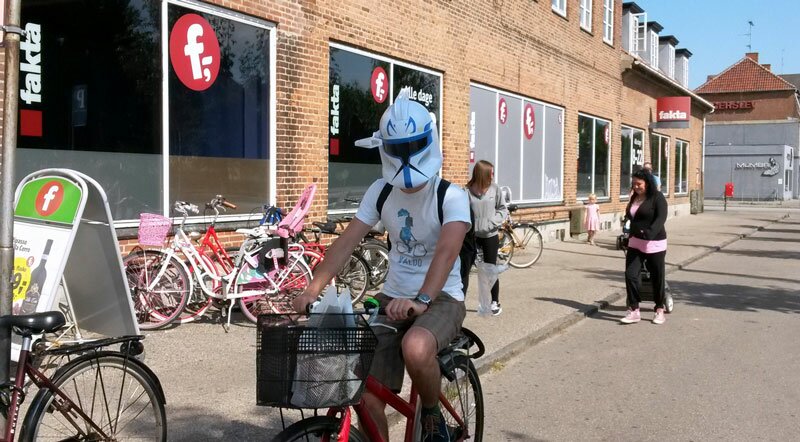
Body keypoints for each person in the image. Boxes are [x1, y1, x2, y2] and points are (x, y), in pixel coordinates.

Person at [292, 89, 471, 442]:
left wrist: (422, 298)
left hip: (442, 298)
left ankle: (434, 422)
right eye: (397, 149)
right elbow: (347, 242)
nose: (405, 157)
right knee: (367, 393)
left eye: (412, 147)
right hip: (392, 299)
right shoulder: (381, 191)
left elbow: (447, 251)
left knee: (417, 347)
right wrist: (311, 290)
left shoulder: (451, 196)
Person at [620, 169, 668, 325]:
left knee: (657, 277)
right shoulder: (634, 197)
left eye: (639, 184)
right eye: (633, 183)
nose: (636, 186)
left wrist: (649, 233)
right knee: (630, 274)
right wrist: (626, 233)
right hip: (635, 242)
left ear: (647, 183)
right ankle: (634, 310)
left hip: (654, 243)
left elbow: (661, 218)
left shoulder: (657, 197)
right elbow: (631, 217)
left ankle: (659, 309)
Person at [466, 160, 508, 316]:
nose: (493, 175)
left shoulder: (494, 188)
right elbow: (463, 211)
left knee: (490, 270)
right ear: (482, 173)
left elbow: (502, 209)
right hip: (472, 236)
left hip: (490, 235)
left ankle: (494, 302)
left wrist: (492, 222)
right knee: (465, 269)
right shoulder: (467, 190)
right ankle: (458, 301)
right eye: (491, 172)